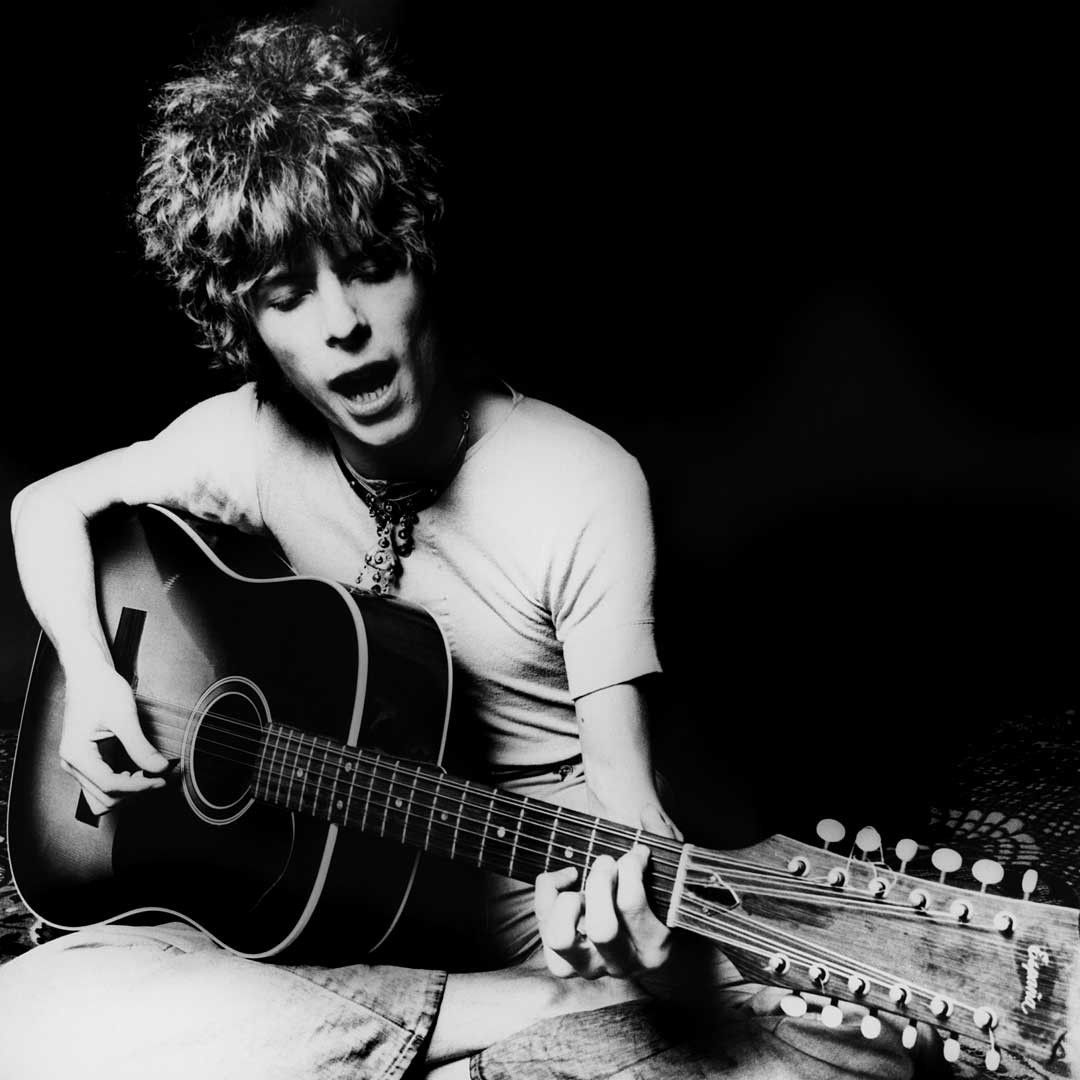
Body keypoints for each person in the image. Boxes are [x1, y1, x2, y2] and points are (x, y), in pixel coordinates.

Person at [1, 19, 920, 1080]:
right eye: (286, 295)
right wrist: (98, 681)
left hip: (531, 910)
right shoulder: (250, 440)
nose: (342, 323)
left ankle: (461, 1028)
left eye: (371, 265)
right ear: (246, 319)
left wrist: (646, 934)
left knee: (812, 1057)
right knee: (32, 1015)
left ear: (423, 254)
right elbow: (46, 509)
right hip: (321, 910)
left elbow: (632, 814)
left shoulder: (582, 481)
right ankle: (473, 1030)